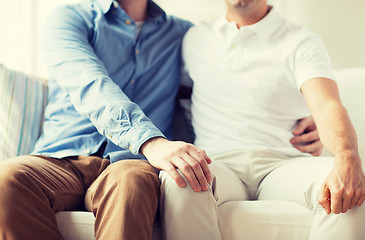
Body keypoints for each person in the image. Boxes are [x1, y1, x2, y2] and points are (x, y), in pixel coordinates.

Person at [0, 1, 322, 240]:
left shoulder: (183, 35)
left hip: (130, 163)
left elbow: (234, 81)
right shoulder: (69, 18)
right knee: (6, 179)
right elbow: (90, 85)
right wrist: (151, 141)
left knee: (132, 184)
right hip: (62, 157)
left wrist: (303, 112)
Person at [159, 0, 365, 240]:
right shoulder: (194, 38)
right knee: (179, 178)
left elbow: (326, 104)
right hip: (217, 161)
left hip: (284, 163)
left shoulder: (301, 41)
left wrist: (346, 155)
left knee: (348, 187)